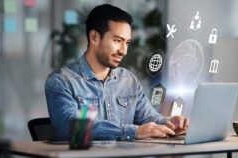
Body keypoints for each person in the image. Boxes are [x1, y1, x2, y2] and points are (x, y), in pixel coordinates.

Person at [45, 4, 188, 141]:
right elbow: (71, 127)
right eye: (117, 41)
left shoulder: (128, 80)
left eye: (127, 43)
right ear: (94, 37)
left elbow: (148, 117)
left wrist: (168, 123)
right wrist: (134, 132)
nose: (123, 51)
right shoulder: (61, 81)